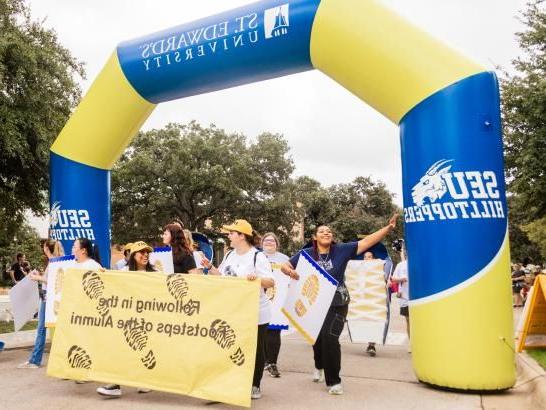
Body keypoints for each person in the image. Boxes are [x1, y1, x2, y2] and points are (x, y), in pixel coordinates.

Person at [281, 214, 398, 395]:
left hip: (338, 303)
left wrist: (388, 228)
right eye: (321, 231)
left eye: (329, 231)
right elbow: (285, 265)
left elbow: (367, 241)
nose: (326, 233)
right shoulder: (306, 254)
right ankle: (319, 365)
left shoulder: (342, 250)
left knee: (330, 339)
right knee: (317, 339)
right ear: (315, 237)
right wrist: (289, 271)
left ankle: (334, 381)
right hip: (315, 305)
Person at [201, 219, 274, 400]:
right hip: (234, 311)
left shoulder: (258, 256)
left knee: (256, 350)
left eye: (231, 233)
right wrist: (210, 268)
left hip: (256, 312)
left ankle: (254, 385)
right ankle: (229, 384)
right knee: (230, 346)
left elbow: (270, 281)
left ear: (242, 236)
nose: (228, 236)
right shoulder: (230, 255)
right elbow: (223, 276)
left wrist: (255, 278)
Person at [97, 241, 155, 398]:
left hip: (148, 321)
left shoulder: (155, 273)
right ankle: (115, 384)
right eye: (141, 252)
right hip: (127, 320)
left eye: (147, 253)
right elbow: (111, 285)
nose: (145, 255)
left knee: (143, 351)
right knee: (120, 350)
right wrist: (104, 275)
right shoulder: (124, 271)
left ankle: (145, 381)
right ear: (133, 255)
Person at [17, 239, 64, 369]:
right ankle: (35, 359)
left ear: (46, 248)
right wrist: (40, 275)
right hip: (47, 298)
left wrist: (37, 277)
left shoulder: (54, 262)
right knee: (43, 329)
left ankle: (35, 361)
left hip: (47, 299)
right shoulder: (54, 261)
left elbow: (52, 280)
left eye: (43, 246)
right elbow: (49, 277)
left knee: (41, 330)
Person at [261, 232, 289, 378]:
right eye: (266, 240)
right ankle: (264, 360)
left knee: (274, 332)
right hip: (260, 300)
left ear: (277, 244)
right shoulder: (257, 257)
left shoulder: (285, 259)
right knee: (262, 332)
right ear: (262, 243)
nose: (269, 242)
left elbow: (292, 276)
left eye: (272, 241)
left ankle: (272, 362)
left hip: (277, 300)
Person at [391, 246, 410, 352]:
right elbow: (393, 279)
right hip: (405, 297)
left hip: (418, 297)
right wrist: (401, 279)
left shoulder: (420, 263)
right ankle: (411, 343)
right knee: (408, 320)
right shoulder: (401, 265)